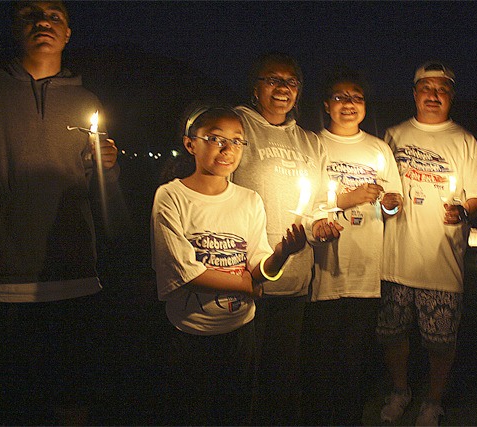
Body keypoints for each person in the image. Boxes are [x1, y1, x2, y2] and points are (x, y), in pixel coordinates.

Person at [0, 1, 119, 425]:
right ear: (16, 29)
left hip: (75, 277)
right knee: (0, 406)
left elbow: (98, 195)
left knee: (71, 399)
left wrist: (107, 166)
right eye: (31, 14)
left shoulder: (86, 100)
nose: (43, 22)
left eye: (54, 16)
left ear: (68, 33)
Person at [151, 105, 307, 426]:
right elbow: (185, 271)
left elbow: (259, 264)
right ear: (190, 144)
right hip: (189, 332)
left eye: (237, 141)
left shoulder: (249, 199)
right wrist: (249, 286)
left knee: (234, 413)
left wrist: (282, 253)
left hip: (240, 332)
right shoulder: (171, 197)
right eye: (215, 138)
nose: (228, 149)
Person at [377, 61, 477, 426]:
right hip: (394, 259)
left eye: (442, 89)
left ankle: (433, 400)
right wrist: (386, 202)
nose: (433, 95)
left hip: (442, 263)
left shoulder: (464, 140)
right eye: (426, 88)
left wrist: (463, 210)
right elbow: (381, 188)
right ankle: (400, 391)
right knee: (392, 333)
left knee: (440, 343)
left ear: (451, 96)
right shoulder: (393, 136)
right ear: (414, 94)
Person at [232, 52, 342, 425]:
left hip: (294, 276)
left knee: (282, 374)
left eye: (291, 82)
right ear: (255, 87)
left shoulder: (311, 143)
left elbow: (316, 207)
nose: (282, 88)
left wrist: (321, 225)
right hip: (245, 275)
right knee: (240, 376)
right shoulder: (238, 127)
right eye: (272, 80)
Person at [300, 69, 404, 425]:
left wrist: (389, 202)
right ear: (327, 105)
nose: (349, 104)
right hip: (323, 269)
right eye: (340, 97)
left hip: (365, 271)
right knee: (320, 356)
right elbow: (304, 201)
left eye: (356, 98)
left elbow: (393, 205)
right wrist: (350, 197)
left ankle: (349, 416)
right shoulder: (312, 144)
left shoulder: (378, 149)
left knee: (355, 357)